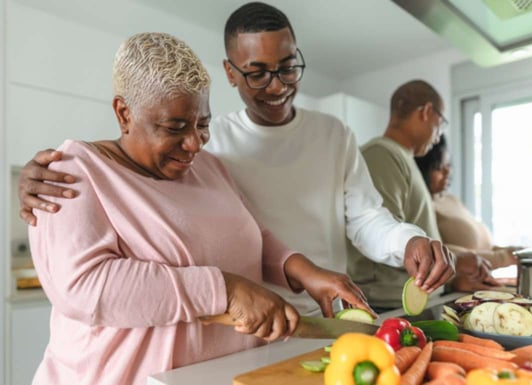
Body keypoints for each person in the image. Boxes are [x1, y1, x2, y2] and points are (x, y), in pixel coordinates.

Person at [18, 2, 456, 316]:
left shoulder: (330, 135)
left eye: (287, 67)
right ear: (230, 72)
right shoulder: (209, 147)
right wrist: (57, 169)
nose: (277, 85)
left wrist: (407, 241)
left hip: (328, 310)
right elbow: (126, 181)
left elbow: (362, 219)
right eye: (257, 72)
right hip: (243, 320)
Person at [27, 32, 375, 385]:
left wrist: (304, 271)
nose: (193, 144)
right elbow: (85, 287)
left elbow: (253, 235)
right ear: (124, 113)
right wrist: (225, 290)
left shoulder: (209, 167)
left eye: (203, 124)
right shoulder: (68, 173)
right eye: (174, 127)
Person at [348, 80, 502, 311]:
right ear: (427, 112)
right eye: (441, 123)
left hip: (416, 302)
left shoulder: (403, 158)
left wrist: (455, 266)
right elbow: (380, 237)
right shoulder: (381, 154)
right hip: (390, 306)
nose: (439, 135)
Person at [415, 134, 520, 269]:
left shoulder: (452, 200)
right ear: (422, 169)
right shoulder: (422, 206)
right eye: (439, 167)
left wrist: (514, 252)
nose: (448, 172)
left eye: (448, 165)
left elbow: (483, 247)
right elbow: (436, 252)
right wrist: (503, 258)